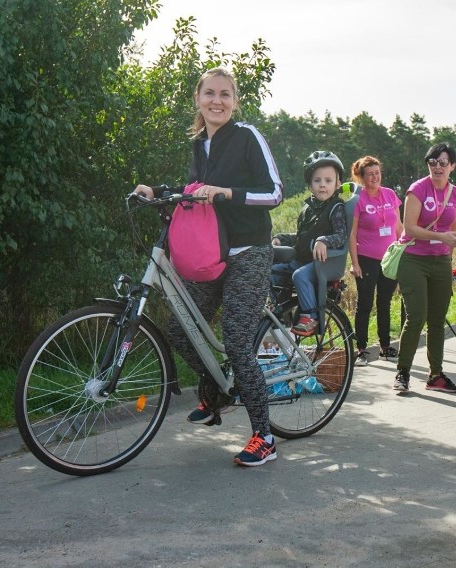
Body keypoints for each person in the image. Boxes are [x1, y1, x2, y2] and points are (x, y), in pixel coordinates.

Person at [133, 67, 283, 467]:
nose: (218, 101)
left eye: (226, 94)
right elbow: (193, 190)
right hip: (212, 253)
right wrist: (159, 191)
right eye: (210, 93)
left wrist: (227, 194)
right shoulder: (201, 144)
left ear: (235, 101)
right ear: (198, 98)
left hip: (249, 250)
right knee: (179, 331)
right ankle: (218, 392)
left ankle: (264, 438)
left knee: (236, 342)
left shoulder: (247, 136)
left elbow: (275, 193)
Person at [393, 143, 456, 393]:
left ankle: (436, 375)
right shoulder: (417, 189)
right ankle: (403, 372)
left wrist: (452, 243)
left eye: (443, 162)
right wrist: (444, 238)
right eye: (432, 162)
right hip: (413, 258)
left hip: (441, 260)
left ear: (452, 166)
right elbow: (409, 228)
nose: (437, 167)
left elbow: (452, 228)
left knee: (437, 320)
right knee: (417, 317)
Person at [272, 151, 348, 336]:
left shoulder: (336, 208)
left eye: (328, 181)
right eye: (317, 180)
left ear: (338, 184)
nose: (323, 185)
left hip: (323, 263)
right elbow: (302, 236)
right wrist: (281, 238)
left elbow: (341, 235)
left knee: (300, 276)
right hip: (302, 259)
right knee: (272, 271)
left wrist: (324, 240)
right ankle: (282, 313)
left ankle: (311, 318)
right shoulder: (308, 207)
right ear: (309, 185)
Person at [348, 156, 403, 366]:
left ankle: (385, 346)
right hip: (367, 259)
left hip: (389, 259)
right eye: (370, 174)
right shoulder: (357, 199)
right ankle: (361, 349)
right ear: (361, 177)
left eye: (377, 172)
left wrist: (405, 248)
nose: (375, 177)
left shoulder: (389, 194)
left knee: (385, 303)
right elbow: (352, 234)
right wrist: (355, 263)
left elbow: (398, 227)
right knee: (365, 304)